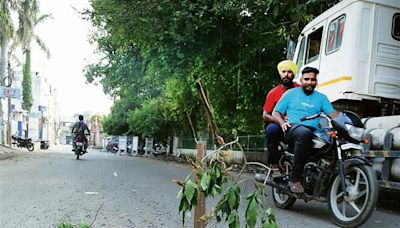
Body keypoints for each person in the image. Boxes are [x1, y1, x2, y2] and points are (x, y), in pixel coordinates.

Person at [272, 67, 337, 193]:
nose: (309, 82)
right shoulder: (290, 94)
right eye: (306, 79)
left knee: (331, 139)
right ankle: (294, 178)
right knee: (304, 133)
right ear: (301, 80)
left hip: (314, 131)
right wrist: (282, 122)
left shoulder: (322, 98)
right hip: (294, 128)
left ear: (316, 81)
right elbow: (276, 112)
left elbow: (333, 115)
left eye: (313, 80)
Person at [263, 60, 299, 178]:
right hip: (279, 125)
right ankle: (274, 165)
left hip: (297, 124)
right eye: (284, 72)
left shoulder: (300, 90)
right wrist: (280, 121)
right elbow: (265, 114)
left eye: (289, 72)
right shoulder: (273, 93)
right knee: (271, 130)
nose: (286, 74)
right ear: (280, 74)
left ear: (293, 74)